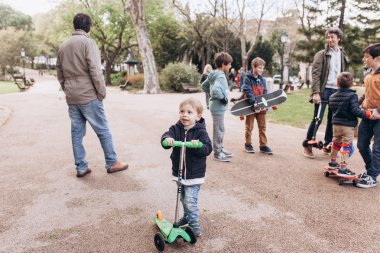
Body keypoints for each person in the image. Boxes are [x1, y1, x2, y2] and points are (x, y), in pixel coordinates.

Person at [56, 13, 128, 178]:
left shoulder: (63, 46)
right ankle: (112, 162)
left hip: (72, 96)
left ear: (75, 26)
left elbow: (59, 72)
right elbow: (95, 70)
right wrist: (101, 91)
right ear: (89, 26)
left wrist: (67, 88)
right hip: (88, 94)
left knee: (76, 133)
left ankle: (81, 167)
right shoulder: (88, 43)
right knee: (103, 129)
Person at [161, 98, 212, 237]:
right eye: (182, 111)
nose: (185, 115)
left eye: (189, 112)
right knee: (183, 198)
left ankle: (194, 222)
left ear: (198, 116)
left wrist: (199, 145)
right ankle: (186, 217)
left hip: (194, 174)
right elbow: (166, 136)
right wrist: (167, 141)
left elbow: (208, 148)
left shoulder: (201, 132)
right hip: (179, 172)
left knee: (190, 200)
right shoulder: (176, 128)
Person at [303, 27, 349, 159]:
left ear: (338, 39)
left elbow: (345, 73)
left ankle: (327, 145)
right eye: (328, 37)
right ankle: (308, 146)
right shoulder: (321, 54)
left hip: (337, 91)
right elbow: (316, 74)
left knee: (332, 120)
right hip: (324, 90)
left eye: (332, 37)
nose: (330, 40)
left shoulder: (343, 54)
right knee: (317, 119)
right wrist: (316, 92)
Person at [327, 72, 371, 177]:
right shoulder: (352, 96)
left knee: (336, 142)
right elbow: (355, 110)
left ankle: (333, 162)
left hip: (336, 125)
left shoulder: (332, 96)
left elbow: (336, 109)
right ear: (351, 84)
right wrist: (366, 114)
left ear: (337, 84)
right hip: (347, 126)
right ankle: (343, 167)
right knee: (346, 145)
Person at [201, 52, 233, 162]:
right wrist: (222, 98)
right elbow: (215, 90)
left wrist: (211, 96)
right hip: (218, 107)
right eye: (229, 64)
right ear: (223, 64)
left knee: (220, 129)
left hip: (216, 106)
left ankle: (220, 148)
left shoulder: (213, 74)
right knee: (219, 130)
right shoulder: (220, 76)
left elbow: (204, 85)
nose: (230, 66)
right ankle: (218, 153)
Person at [356, 43, 380, 188]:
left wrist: (378, 111)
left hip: (379, 117)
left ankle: (372, 175)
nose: (364, 59)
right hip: (367, 115)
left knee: (377, 148)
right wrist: (356, 102)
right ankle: (371, 170)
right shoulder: (369, 74)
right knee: (361, 144)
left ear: (377, 58)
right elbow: (367, 93)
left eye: (366, 57)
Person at [242, 57, 273, 155]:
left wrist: (264, 104)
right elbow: (248, 91)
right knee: (249, 127)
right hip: (251, 106)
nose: (261, 70)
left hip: (261, 107)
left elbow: (264, 92)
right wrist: (254, 103)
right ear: (253, 67)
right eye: (259, 67)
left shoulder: (263, 80)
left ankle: (263, 145)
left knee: (262, 127)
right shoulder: (247, 78)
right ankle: (248, 144)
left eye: (262, 68)